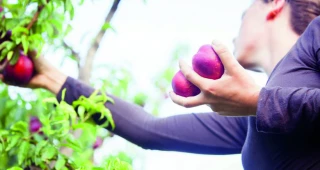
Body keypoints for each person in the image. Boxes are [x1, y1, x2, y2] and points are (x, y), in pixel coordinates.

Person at [1, 0, 320, 169]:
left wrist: (258, 101)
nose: (238, 28)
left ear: (274, 3)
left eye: (243, 12)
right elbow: (149, 130)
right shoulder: (251, 122)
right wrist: (49, 77)